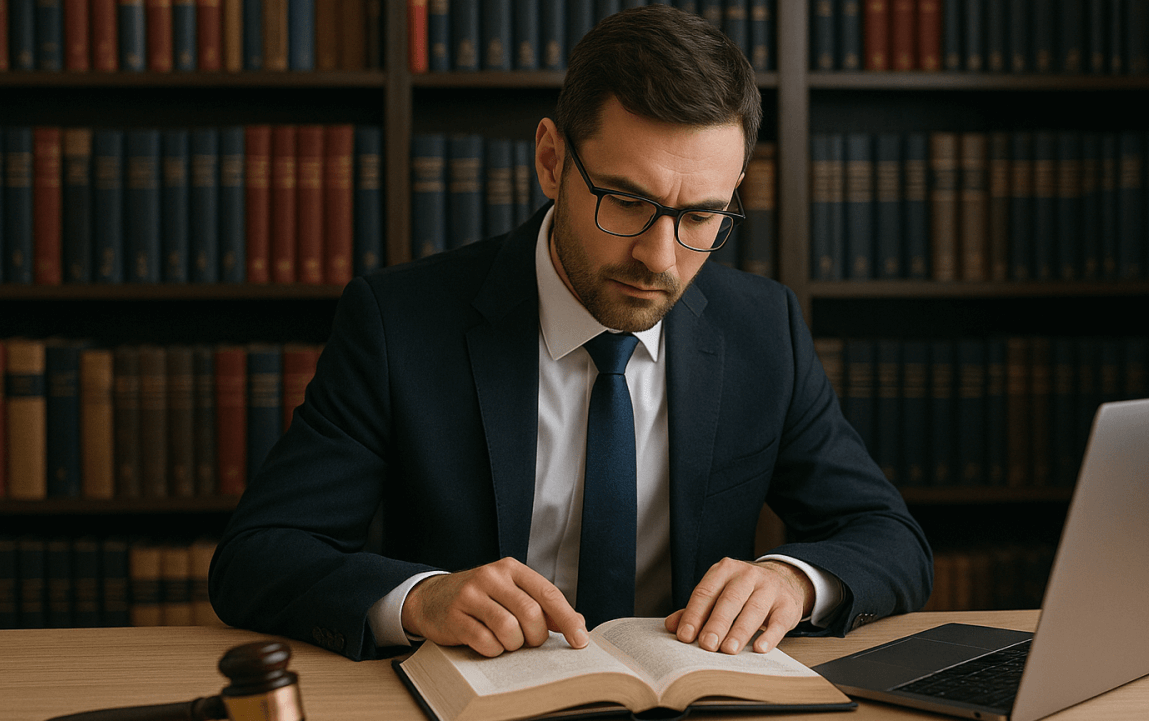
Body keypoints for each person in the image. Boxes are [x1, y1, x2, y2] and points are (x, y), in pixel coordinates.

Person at [209, 5, 931, 662]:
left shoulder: (762, 329)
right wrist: (420, 598)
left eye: (702, 216)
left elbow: (890, 537)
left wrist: (794, 580)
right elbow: (258, 556)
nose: (661, 257)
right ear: (551, 160)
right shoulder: (398, 322)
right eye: (626, 201)